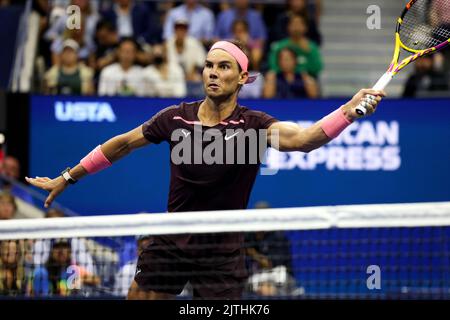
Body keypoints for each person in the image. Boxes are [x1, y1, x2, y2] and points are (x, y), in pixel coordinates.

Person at [26, 40, 385, 300]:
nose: (213, 72)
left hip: (223, 250)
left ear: (243, 78)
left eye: (224, 66)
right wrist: (68, 176)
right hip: (172, 240)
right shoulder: (175, 117)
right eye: (210, 66)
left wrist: (347, 112)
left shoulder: (254, 126)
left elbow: (305, 138)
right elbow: (120, 144)